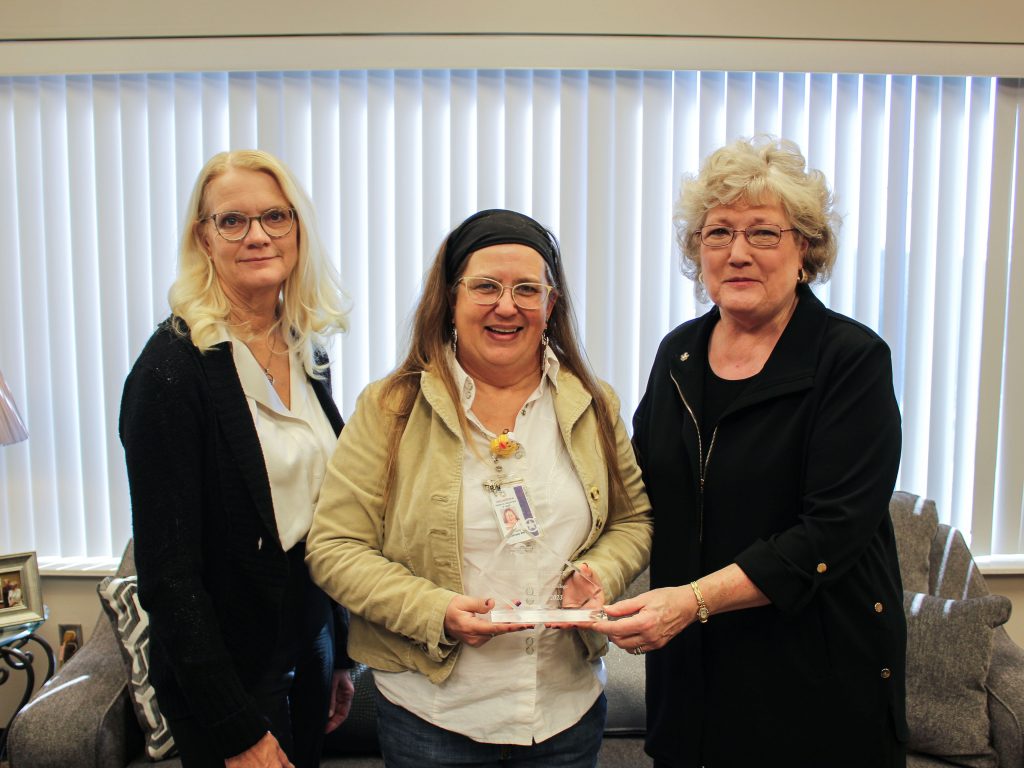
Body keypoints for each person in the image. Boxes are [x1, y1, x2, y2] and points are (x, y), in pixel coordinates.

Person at [594, 137, 907, 767]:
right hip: (692, 672)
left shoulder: (850, 359)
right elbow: (636, 488)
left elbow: (831, 531)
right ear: (697, 252)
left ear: (806, 251)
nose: (737, 253)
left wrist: (694, 599)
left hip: (814, 672)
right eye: (718, 233)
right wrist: (591, 566)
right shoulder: (679, 353)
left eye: (764, 233)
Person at [306, 209, 652, 768]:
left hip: (565, 709)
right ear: (450, 299)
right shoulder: (391, 407)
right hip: (434, 716)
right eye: (486, 286)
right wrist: (436, 609)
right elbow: (334, 548)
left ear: (551, 305)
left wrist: (600, 575)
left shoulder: (593, 403)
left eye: (526, 290)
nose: (507, 306)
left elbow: (633, 522)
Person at [120, 149, 355, 768]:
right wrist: (235, 728)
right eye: (233, 221)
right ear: (203, 237)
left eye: (275, 217)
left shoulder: (308, 349)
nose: (258, 236)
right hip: (231, 674)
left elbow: (316, 515)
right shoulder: (171, 371)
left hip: (310, 644)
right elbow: (169, 579)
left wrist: (339, 654)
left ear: (298, 230)